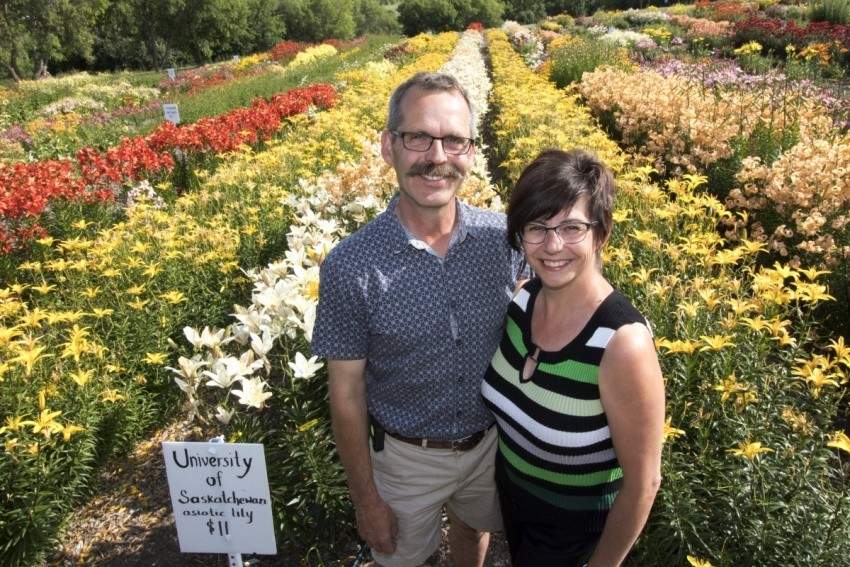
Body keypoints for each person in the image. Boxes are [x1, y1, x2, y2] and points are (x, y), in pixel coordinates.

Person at [311, 72, 526, 567]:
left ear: (472, 152)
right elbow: (345, 392)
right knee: (401, 557)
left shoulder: (505, 241)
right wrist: (366, 500)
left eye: (454, 140)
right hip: (406, 459)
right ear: (389, 146)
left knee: (473, 534)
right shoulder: (351, 264)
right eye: (418, 138)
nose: (437, 157)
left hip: (489, 446)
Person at [481, 149, 664, 566]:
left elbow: (644, 482)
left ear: (601, 232)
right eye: (537, 228)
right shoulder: (522, 301)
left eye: (572, 227)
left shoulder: (622, 343)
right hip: (516, 508)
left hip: (576, 537)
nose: (552, 245)